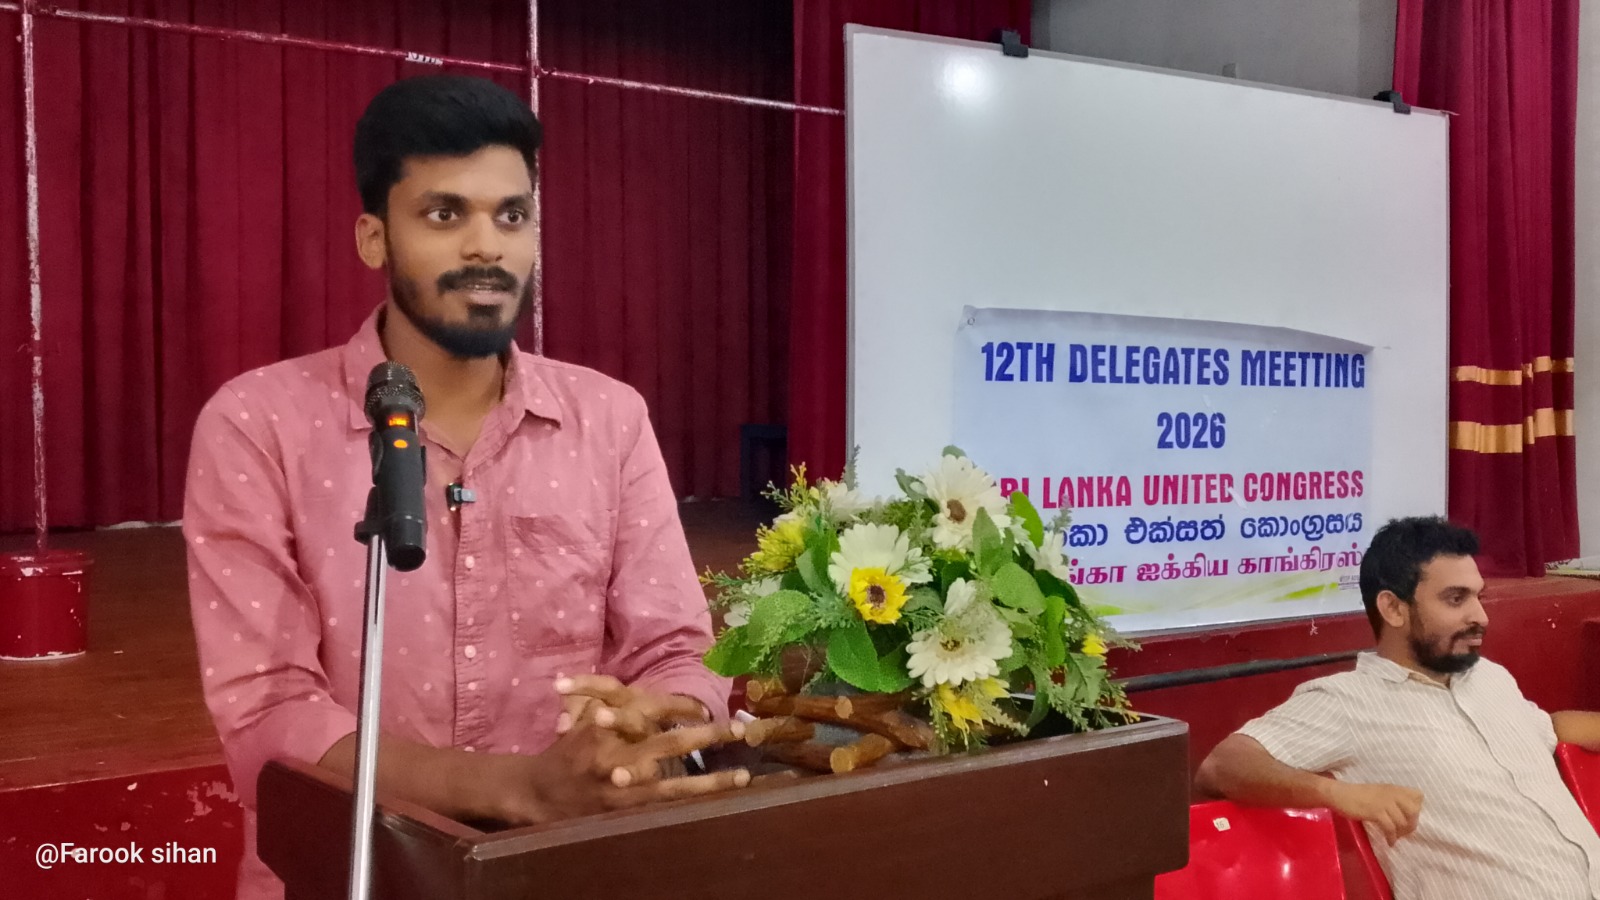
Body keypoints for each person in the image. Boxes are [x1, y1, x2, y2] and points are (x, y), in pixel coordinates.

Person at [183, 75, 748, 900]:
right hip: (349, 873)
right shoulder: (258, 425)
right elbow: (268, 718)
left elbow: (676, 652)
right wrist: (518, 788)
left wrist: (648, 733)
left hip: (569, 869)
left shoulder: (608, 418)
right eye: (445, 214)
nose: (487, 247)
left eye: (511, 216)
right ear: (373, 238)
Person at [1196, 516, 1600, 899]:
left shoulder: (1489, 678)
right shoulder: (1348, 701)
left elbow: (1547, 728)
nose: (1480, 616)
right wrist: (1337, 793)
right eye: (1456, 599)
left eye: (1479, 597)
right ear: (1393, 609)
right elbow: (1222, 765)